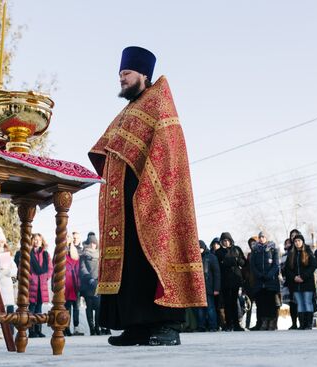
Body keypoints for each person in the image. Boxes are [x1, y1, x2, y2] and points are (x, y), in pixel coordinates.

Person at [89, 46, 206, 346]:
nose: (121, 79)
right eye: (119, 74)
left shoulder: (158, 101)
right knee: (131, 265)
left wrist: (150, 191)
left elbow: (168, 150)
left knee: (153, 258)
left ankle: (168, 326)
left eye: (126, 74)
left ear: (144, 74)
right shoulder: (128, 110)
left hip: (150, 196)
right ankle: (136, 326)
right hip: (124, 205)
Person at [284, 234, 316, 330]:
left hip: (307, 283)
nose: (297, 243)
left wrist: (303, 276)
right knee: (300, 303)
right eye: (296, 241)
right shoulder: (291, 254)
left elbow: (312, 266)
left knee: (307, 302)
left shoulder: (308, 252)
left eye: (299, 241)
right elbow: (287, 269)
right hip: (296, 284)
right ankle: (302, 324)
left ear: (302, 242)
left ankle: (308, 323)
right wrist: (294, 277)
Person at [215, 232, 246, 331]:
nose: (226, 242)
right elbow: (221, 264)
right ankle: (228, 324)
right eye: (224, 240)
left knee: (235, 303)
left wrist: (235, 260)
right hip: (225, 281)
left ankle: (236, 324)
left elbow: (243, 262)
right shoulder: (219, 252)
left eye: (228, 240)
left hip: (236, 280)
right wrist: (234, 260)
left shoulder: (236, 249)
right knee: (227, 303)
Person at [250, 232, 280, 330]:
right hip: (259, 281)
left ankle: (271, 322)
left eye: (263, 237)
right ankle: (263, 322)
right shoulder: (255, 251)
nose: (261, 239)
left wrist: (269, 275)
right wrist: (259, 275)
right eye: (260, 237)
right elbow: (252, 266)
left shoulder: (273, 249)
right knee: (261, 303)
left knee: (271, 302)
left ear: (266, 238)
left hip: (270, 281)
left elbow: (276, 265)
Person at [0, 227, 17, 338]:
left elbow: (14, 270)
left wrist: (6, 272)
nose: (0, 244)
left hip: (6, 287)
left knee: (7, 310)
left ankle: (6, 330)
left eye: (2, 242)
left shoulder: (8, 256)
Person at [29, 233, 52, 338]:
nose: (37, 241)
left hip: (41, 284)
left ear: (42, 241)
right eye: (35, 239)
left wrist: (46, 277)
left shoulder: (46, 254)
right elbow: (24, 267)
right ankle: (31, 331)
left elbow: (50, 268)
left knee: (39, 308)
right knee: (31, 308)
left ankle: (38, 330)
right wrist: (30, 278)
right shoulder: (28, 253)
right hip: (32, 284)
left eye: (39, 239)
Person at [80, 234, 104, 336]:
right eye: (91, 243)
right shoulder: (84, 255)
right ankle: (92, 328)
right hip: (87, 284)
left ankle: (98, 327)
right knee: (89, 307)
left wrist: (99, 279)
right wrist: (89, 278)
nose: (93, 245)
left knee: (98, 307)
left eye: (95, 243)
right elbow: (82, 268)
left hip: (98, 283)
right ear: (88, 244)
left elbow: (102, 267)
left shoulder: (100, 255)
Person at [195, 240, 220, 332]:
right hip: (198, 287)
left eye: (200, 248)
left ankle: (213, 326)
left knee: (210, 307)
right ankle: (201, 326)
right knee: (199, 308)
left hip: (209, 286)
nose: (199, 249)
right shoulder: (194, 258)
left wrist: (216, 288)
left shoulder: (211, 257)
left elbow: (217, 273)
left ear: (204, 247)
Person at [64, 237, 83, 336]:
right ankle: (66, 327)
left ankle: (76, 327)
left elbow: (78, 270)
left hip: (74, 285)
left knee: (76, 307)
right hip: (65, 284)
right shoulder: (60, 254)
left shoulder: (74, 255)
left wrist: (79, 284)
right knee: (67, 308)